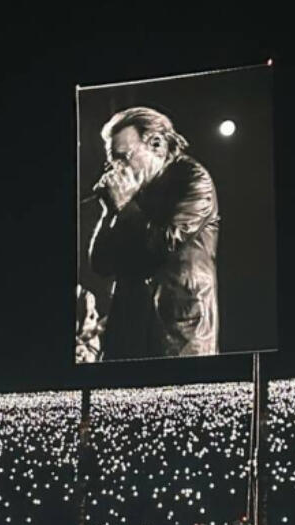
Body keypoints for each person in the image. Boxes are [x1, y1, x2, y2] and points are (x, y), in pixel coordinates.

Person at [87, 107, 219, 360]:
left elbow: (165, 242)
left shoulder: (192, 179)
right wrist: (108, 214)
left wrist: (125, 207)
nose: (116, 169)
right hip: (128, 330)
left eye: (124, 157)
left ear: (156, 144)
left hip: (177, 333)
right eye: (112, 161)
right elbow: (100, 264)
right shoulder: (133, 190)